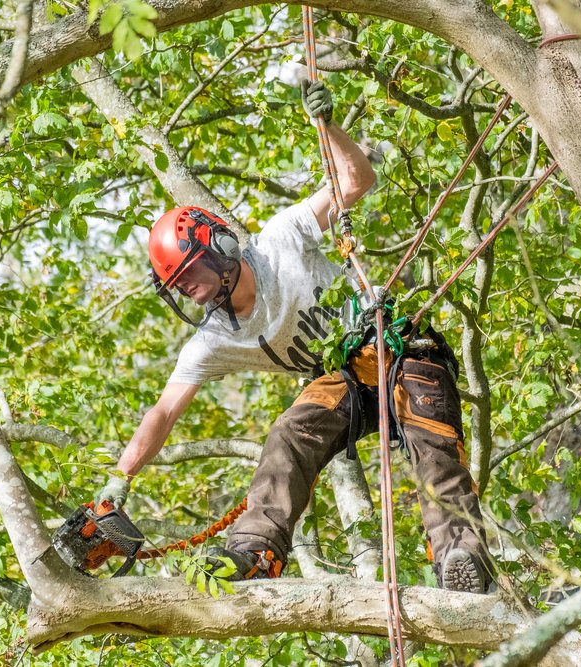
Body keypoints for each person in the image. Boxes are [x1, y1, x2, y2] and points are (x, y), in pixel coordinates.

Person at [96, 81, 491, 592]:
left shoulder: (281, 240)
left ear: (218, 250)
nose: (190, 294)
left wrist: (328, 127)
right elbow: (164, 411)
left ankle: (460, 555)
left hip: (396, 347)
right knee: (288, 434)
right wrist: (120, 479)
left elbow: (356, 180)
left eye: (190, 277)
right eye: (179, 288)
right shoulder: (215, 337)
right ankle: (255, 551)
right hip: (341, 379)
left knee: (432, 444)